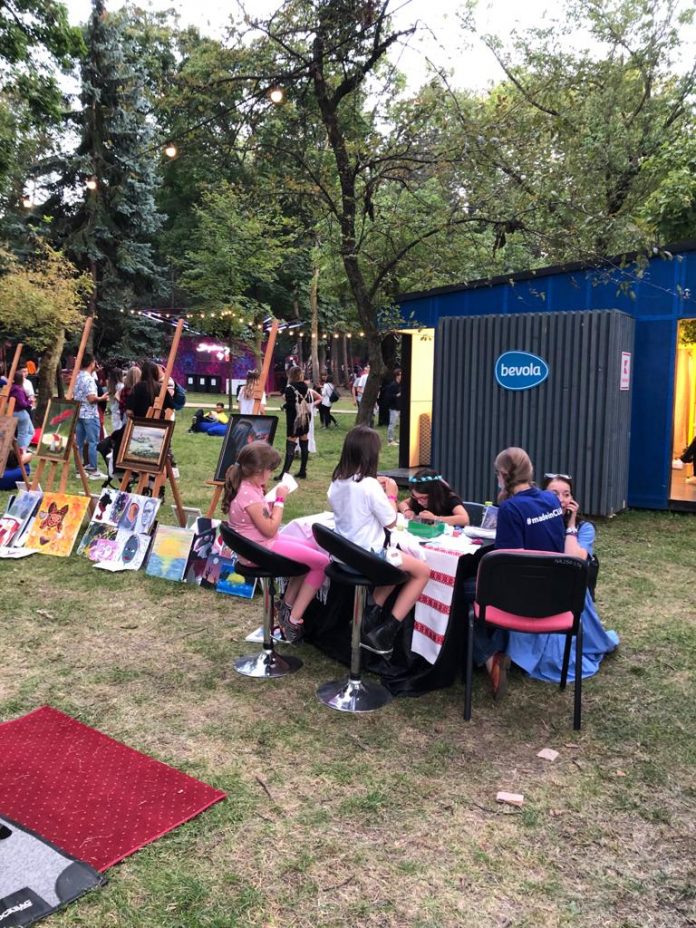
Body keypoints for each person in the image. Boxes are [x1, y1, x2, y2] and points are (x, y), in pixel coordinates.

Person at [471, 447, 566, 699]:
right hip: (559, 591)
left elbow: (507, 565)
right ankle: (497, 653)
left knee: (461, 592)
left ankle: (490, 657)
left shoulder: (511, 509)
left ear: (503, 474)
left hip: (525, 597)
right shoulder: (551, 500)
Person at [328, 425, 430, 657]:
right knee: (422, 571)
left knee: (400, 560)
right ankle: (386, 632)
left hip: (344, 555)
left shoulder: (337, 482)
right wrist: (391, 494)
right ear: (370, 454)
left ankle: (370, 615)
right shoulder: (369, 485)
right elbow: (391, 521)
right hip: (367, 557)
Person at [505, 474, 619, 682]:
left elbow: (574, 559)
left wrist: (571, 524)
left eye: (566, 494)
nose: (561, 499)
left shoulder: (584, 528)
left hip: (566, 592)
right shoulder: (535, 522)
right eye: (554, 494)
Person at [223, 441, 329, 643]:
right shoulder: (249, 495)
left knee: (312, 549)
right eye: (270, 470)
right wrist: (280, 500)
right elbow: (271, 528)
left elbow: (258, 519)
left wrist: (269, 503)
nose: (271, 474)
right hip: (261, 550)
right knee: (322, 563)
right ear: (260, 470)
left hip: (256, 545)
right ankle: (292, 619)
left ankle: (285, 606)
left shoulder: (246, 486)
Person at [73, 354, 108, 479]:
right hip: (90, 414)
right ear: (91, 363)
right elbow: (91, 398)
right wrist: (102, 398)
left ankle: (79, 470)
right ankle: (93, 469)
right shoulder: (89, 379)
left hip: (79, 413)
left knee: (79, 443)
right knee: (93, 442)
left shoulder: (77, 377)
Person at [398, 468, 470, 527]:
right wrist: (407, 510)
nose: (419, 502)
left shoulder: (449, 498)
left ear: (434, 493)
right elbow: (402, 503)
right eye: (415, 497)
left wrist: (435, 518)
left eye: (423, 498)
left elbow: (465, 519)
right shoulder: (417, 499)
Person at [276, 366, 311, 480]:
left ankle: (284, 473)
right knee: (304, 442)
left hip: (293, 418)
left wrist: (284, 405)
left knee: (290, 444)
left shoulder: (289, 387)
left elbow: (290, 404)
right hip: (304, 417)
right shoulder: (305, 386)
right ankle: (302, 471)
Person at [9, 373, 34, 450]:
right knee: (23, 433)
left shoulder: (11, 388)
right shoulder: (18, 390)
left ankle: (23, 448)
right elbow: (23, 404)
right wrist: (30, 401)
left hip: (13, 411)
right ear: (21, 379)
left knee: (31, 431)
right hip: (20, 412)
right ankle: (21, 450)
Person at [382, 368, 402, 445]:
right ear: (397, 376)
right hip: (394, 408)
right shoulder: (393, 385)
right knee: (392, 424)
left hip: (400, 407)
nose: (402, 376)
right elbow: (388, 396)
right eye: (400, 374)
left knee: (400, 424)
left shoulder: (401, 385)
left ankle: (398, 439)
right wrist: (397, 395)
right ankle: (390, 440)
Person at [107, 368, 125, 432]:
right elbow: (120, 398)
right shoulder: (121, 385)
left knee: (115, 428)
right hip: (119, 409)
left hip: (113, 408)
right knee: (119, 428)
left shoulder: (111, 385)